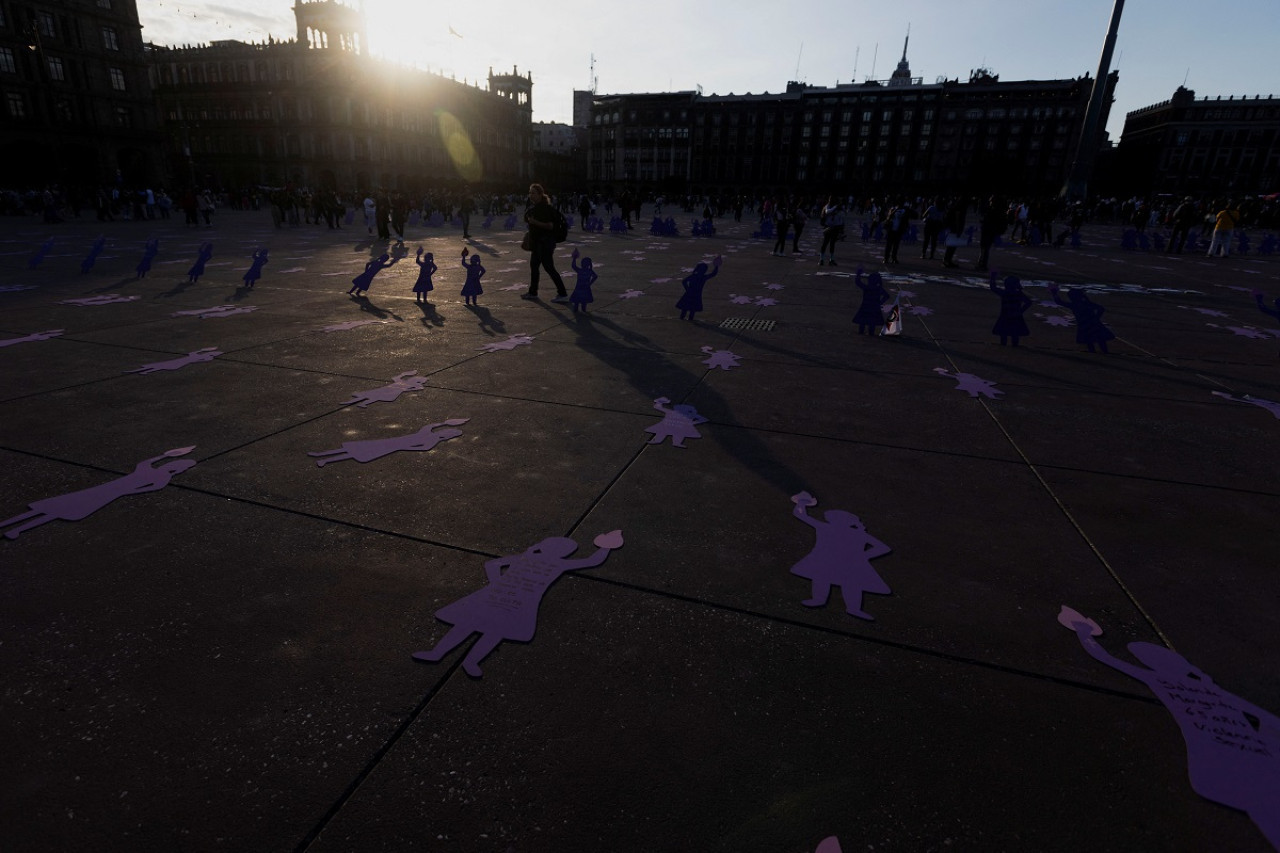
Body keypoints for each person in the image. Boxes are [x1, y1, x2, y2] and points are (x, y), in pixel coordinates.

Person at [412, 531, 624, 678]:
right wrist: (497, 582)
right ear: (545, 546)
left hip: (519, 599)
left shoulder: (557, 564)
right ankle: (438, 653)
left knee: (493, 629)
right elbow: (494, 564)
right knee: (469, 623)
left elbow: (590, 561)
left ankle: (470, 661)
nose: (555, 551)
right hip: (504, 595)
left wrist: (606, 546)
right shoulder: (528, 558)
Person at [788, 491, 892, 621]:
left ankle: (847, 607)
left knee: (841, 582)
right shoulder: (854, 533)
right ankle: (833, 603)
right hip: (839, 561)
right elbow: (882, 547)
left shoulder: (830, 528)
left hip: (835, 561)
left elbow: (800, 515)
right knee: (839, 581)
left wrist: (802, 503)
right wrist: (863, 556)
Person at [521, 183, 569, 303]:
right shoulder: (536, 207)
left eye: (533, 193)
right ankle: (533, 292)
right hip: (538, 242)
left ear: (540, 194)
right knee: (534, 266)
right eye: (529, 192)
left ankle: (562, 293)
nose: (530, 195)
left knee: (548, 267)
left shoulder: (544, 208)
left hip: (545, 243)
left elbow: (550, 226)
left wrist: (534, 222)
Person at [1049, 283, 1114, 353]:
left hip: (1084, 324)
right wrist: (1097, 317)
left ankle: (1094, 352)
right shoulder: (1086, 303)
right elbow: (1101, 308)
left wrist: (1054, 293)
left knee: (1090, 340)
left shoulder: (1075, 305)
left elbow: (1059, 302)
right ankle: (1104, 352)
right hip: (1093, 323)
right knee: (1099, 339)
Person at [989, 272, 1032, 347]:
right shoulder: (1019, 294)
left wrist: (993, 277)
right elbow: (1028, 302)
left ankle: (1004, 345)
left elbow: (993, 288)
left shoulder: (1005, 293)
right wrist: (1021, 311)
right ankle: (1014, 346)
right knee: (1014, 333)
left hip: (1005, 315)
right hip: (1016, 316)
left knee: (1004, 332)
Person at [677, 256, 722, 321]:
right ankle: (689, 319)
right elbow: (713, 274)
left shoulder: (694, 276)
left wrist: (687, 289)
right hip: (696, 294)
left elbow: (684, 281)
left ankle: (683, 318)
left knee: (686, 307)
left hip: (690, 293)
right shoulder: (703, 277)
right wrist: (716, 266)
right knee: (692, 308)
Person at [852, 267, 890, 335]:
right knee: (872, 322)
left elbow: (858, 282)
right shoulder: (878, 288)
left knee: (863, 321)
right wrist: (880, 302)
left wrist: (858, 274)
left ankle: (861, 332)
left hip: (865, 306)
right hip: (874, 307)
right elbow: (886, 296)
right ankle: (870, 333)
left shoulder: (867, 288)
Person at [818, 197, 845, 266]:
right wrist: (835, 207)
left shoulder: (840, 209)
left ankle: (831, 259)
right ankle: (821, 259)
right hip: (828, 227)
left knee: (832, 244)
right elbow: (827, 212)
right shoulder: (828, 206)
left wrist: (841, 229)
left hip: (835, 228)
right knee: (825, 243)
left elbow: (841, 219)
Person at [569, 249, 596, 313]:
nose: (583, 264)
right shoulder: (587, 271)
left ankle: (580, 309)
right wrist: (590, 283)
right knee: (580, 300)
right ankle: (580, 309)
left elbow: (574, 266)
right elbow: (595, 277)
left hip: (581, 287)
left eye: (584, 263)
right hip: (583, 287)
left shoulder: (583, 270)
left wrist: (574, 258)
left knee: (580, 300)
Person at [942, 197, 966, 268]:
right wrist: (959, 229)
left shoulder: (954, 206)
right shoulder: (958, 208)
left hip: (952, 227)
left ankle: (947, 260)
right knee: (952, 245)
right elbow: (957, 218)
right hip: (954, 228)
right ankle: (947, 260)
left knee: (952, 245)